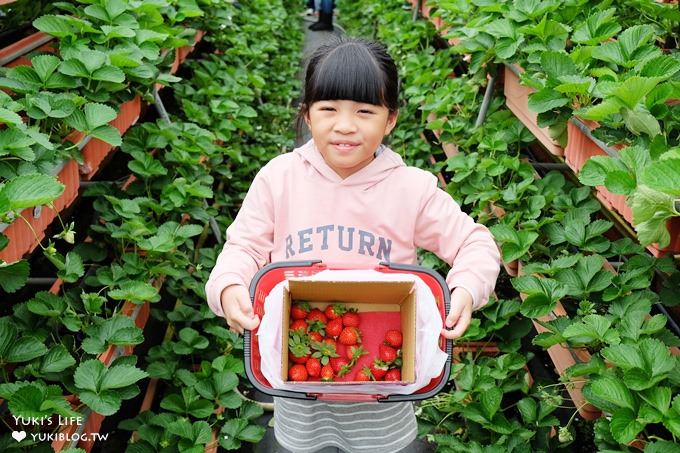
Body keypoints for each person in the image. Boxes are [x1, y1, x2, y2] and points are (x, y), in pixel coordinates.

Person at [206, 37, 500, 453]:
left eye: (364, 111)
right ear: (307, 115)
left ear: (390, 120)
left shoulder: (410, 188)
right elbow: (243, 248)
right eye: (329, 109)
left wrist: (467, 289)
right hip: (300, 369)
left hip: (384, 380)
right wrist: (230, 287)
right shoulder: (279, 179)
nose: (345, 125)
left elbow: (475, 242)